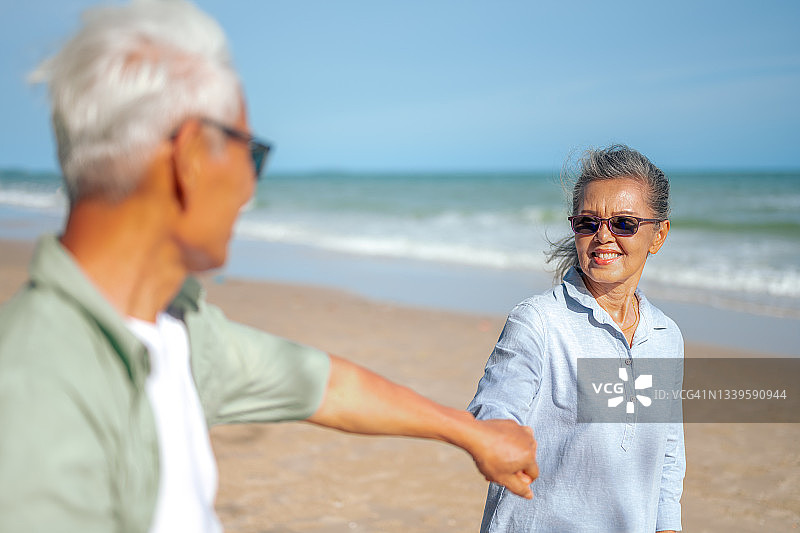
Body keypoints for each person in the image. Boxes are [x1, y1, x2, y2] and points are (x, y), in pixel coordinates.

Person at [0, 1, 538, 531]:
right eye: (251, 153)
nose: (251, 187)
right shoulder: (35, 388)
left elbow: (322, 384)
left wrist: (473, 434)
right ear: (191, 157)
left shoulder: (175, 329)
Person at [468, 145, 685, 532]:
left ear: (658, 235)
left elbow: (667, 455)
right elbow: (495, 404)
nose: (603, 236)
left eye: (624, 223)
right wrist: (498, 435)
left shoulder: (667, 336)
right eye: (588, 222)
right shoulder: (538, 322)